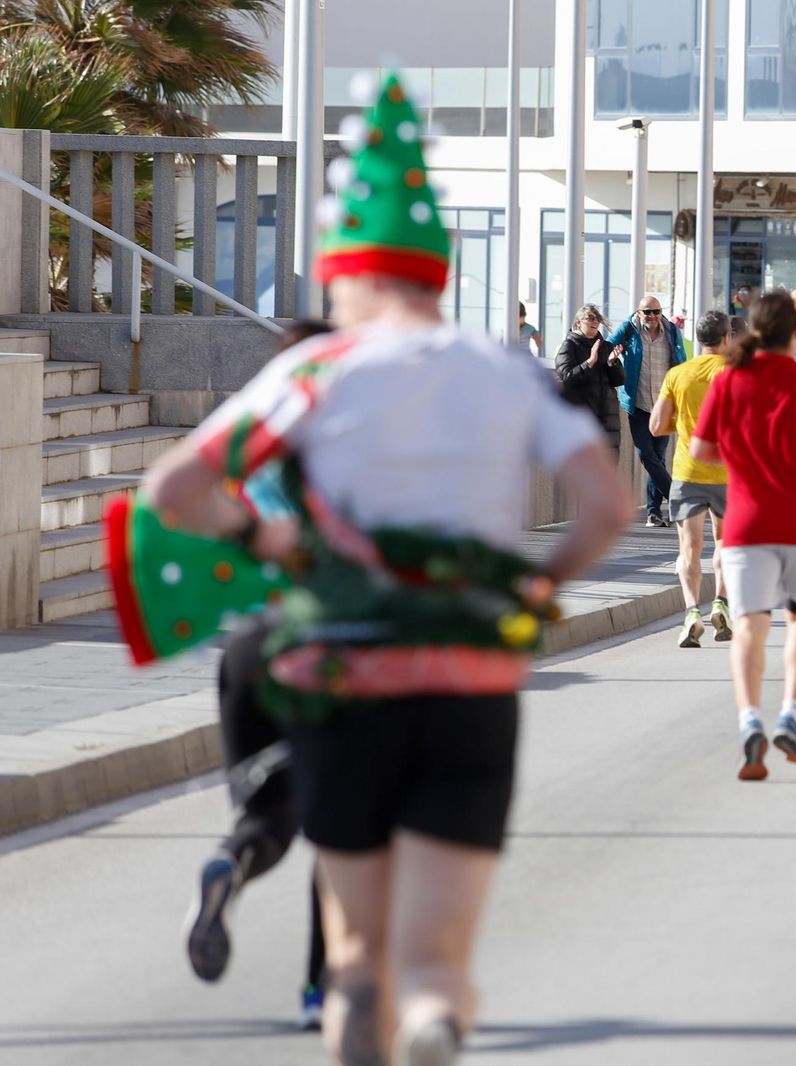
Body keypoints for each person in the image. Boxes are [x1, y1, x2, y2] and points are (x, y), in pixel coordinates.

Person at [142, 74, 632, 1066]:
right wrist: (540, 587)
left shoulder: (316, 369)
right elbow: (607, 505)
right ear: (436, 270)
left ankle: (374, 1017)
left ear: (349, 272)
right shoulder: (498, 368)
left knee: (358, 951)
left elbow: (174, 488)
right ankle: (437, 1014)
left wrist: (269, 541)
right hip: (469, 682)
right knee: (439, 952)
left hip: (345, 680)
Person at [182, 320, 332, 1032]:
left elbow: (175, 496)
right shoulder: (353, 441)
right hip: (328, 639)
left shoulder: (252, 436)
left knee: (269, 812)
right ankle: (319, 990)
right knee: (342, 829)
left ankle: (228, 866)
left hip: (250, 645)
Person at [690, 291, 796, 782]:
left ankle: (750, 723)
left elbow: (701, 450)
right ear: (795, 335)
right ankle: (792, 715)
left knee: (749, 625)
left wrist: (745, 461)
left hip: (745, 526)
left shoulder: (728, 383)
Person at [651, 309, 736, 648]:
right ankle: (721, 604)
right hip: (729, 473)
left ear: (698, 340)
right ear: (727, 338)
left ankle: (690, 613)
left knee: (689, 549)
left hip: (687, 472)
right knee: (727, 545)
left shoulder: (677, 374)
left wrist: (684, 425)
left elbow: (656, 427)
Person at [610, 295, 686, 526]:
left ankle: (654, 512)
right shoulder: (630, 331)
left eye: (656, 311)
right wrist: (621, 336)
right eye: (647, 312)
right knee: (646, 455)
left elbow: (681, 362)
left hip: (665, 405)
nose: (652, 316)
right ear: (638, 313)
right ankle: (677, 499)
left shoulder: (672, 332)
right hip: (638, 403)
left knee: (658, 458)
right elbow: (607, 344)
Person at [554, 304, 625, 453]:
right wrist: (590, 362)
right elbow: (566, 380)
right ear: (578, 322)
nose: (595, 322)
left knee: (608, 470)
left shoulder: (606, 346)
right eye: (590, 318)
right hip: (581, 420)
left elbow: (618, 380)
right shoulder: (569, 346)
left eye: (598, 319)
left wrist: (613, 362)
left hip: (607, 420)